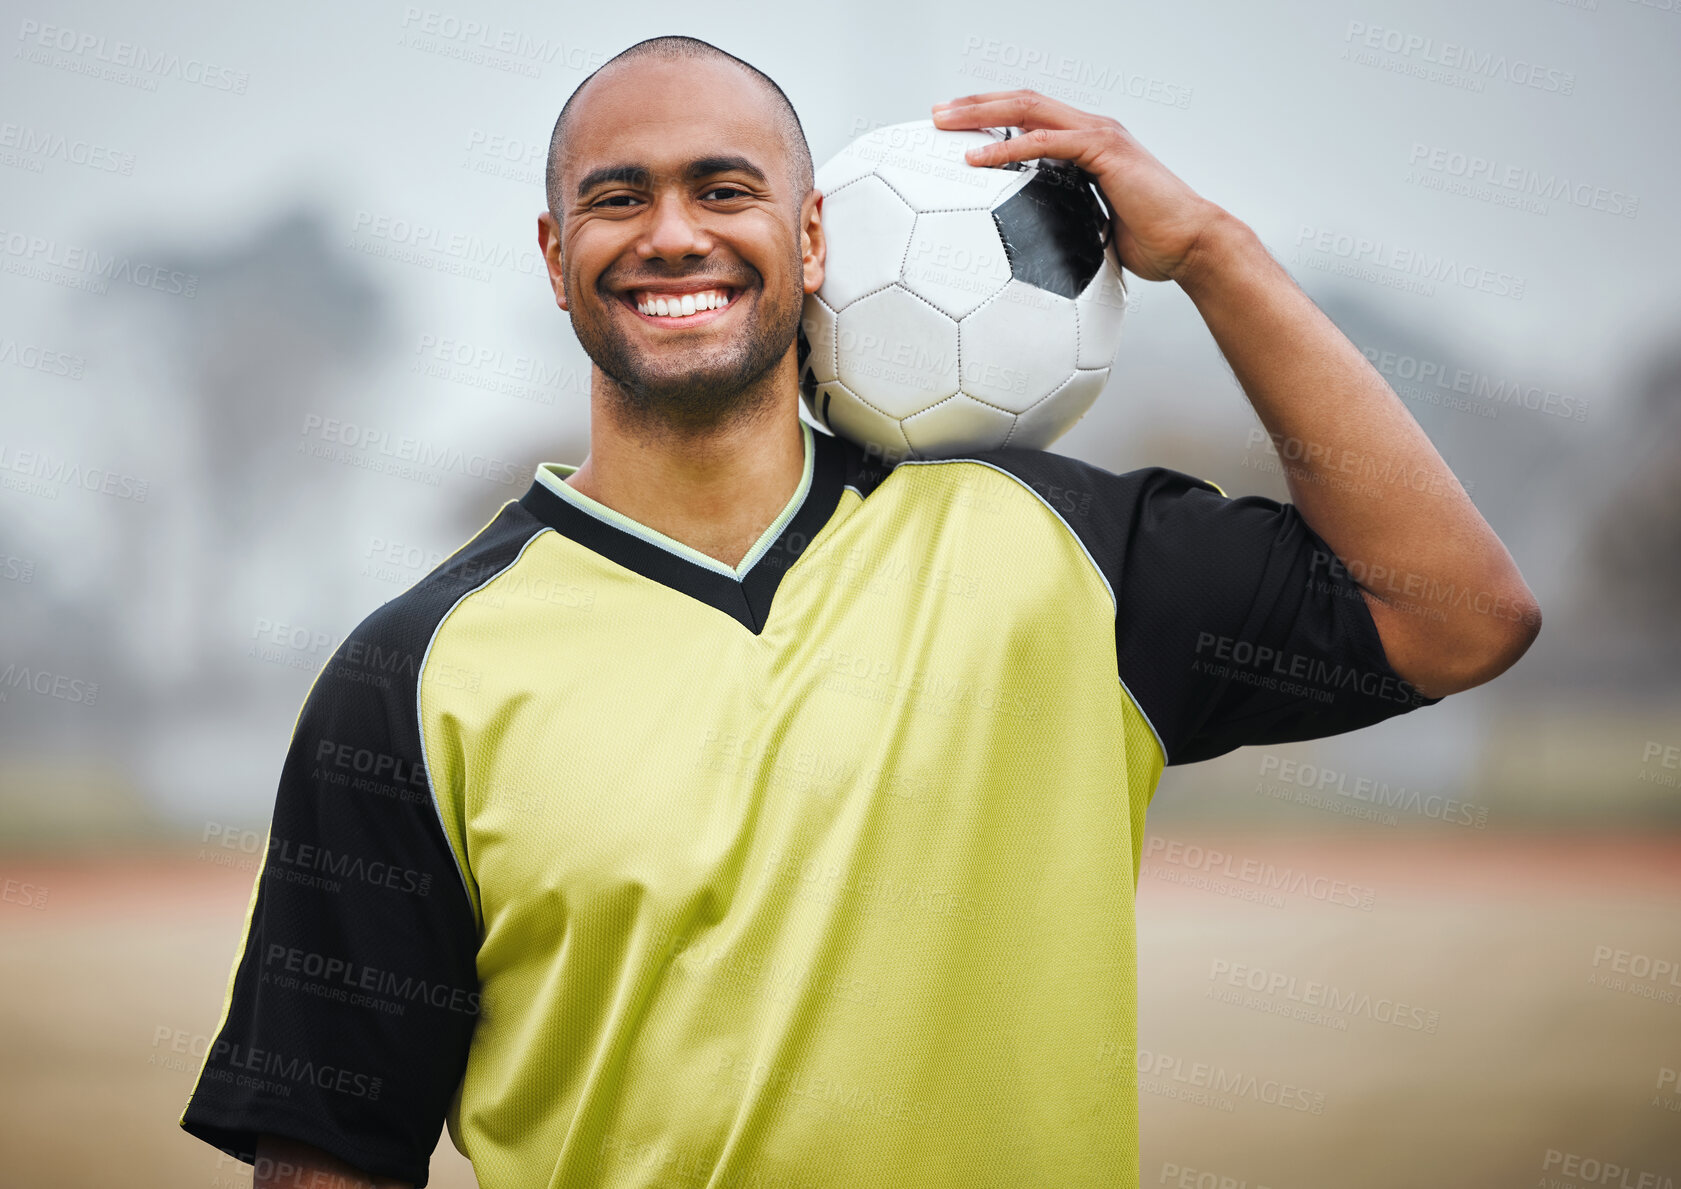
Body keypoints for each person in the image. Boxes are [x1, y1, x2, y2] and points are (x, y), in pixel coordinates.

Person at [178, 34, 1540, 1189]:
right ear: (553, 251)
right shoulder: (414, 675)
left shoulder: (1051, 551)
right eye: (617, 197)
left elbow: (1460, 615)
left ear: (812, 233)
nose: (672, 233)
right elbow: (329, 1148)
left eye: (724, 187)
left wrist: (1215, 254)